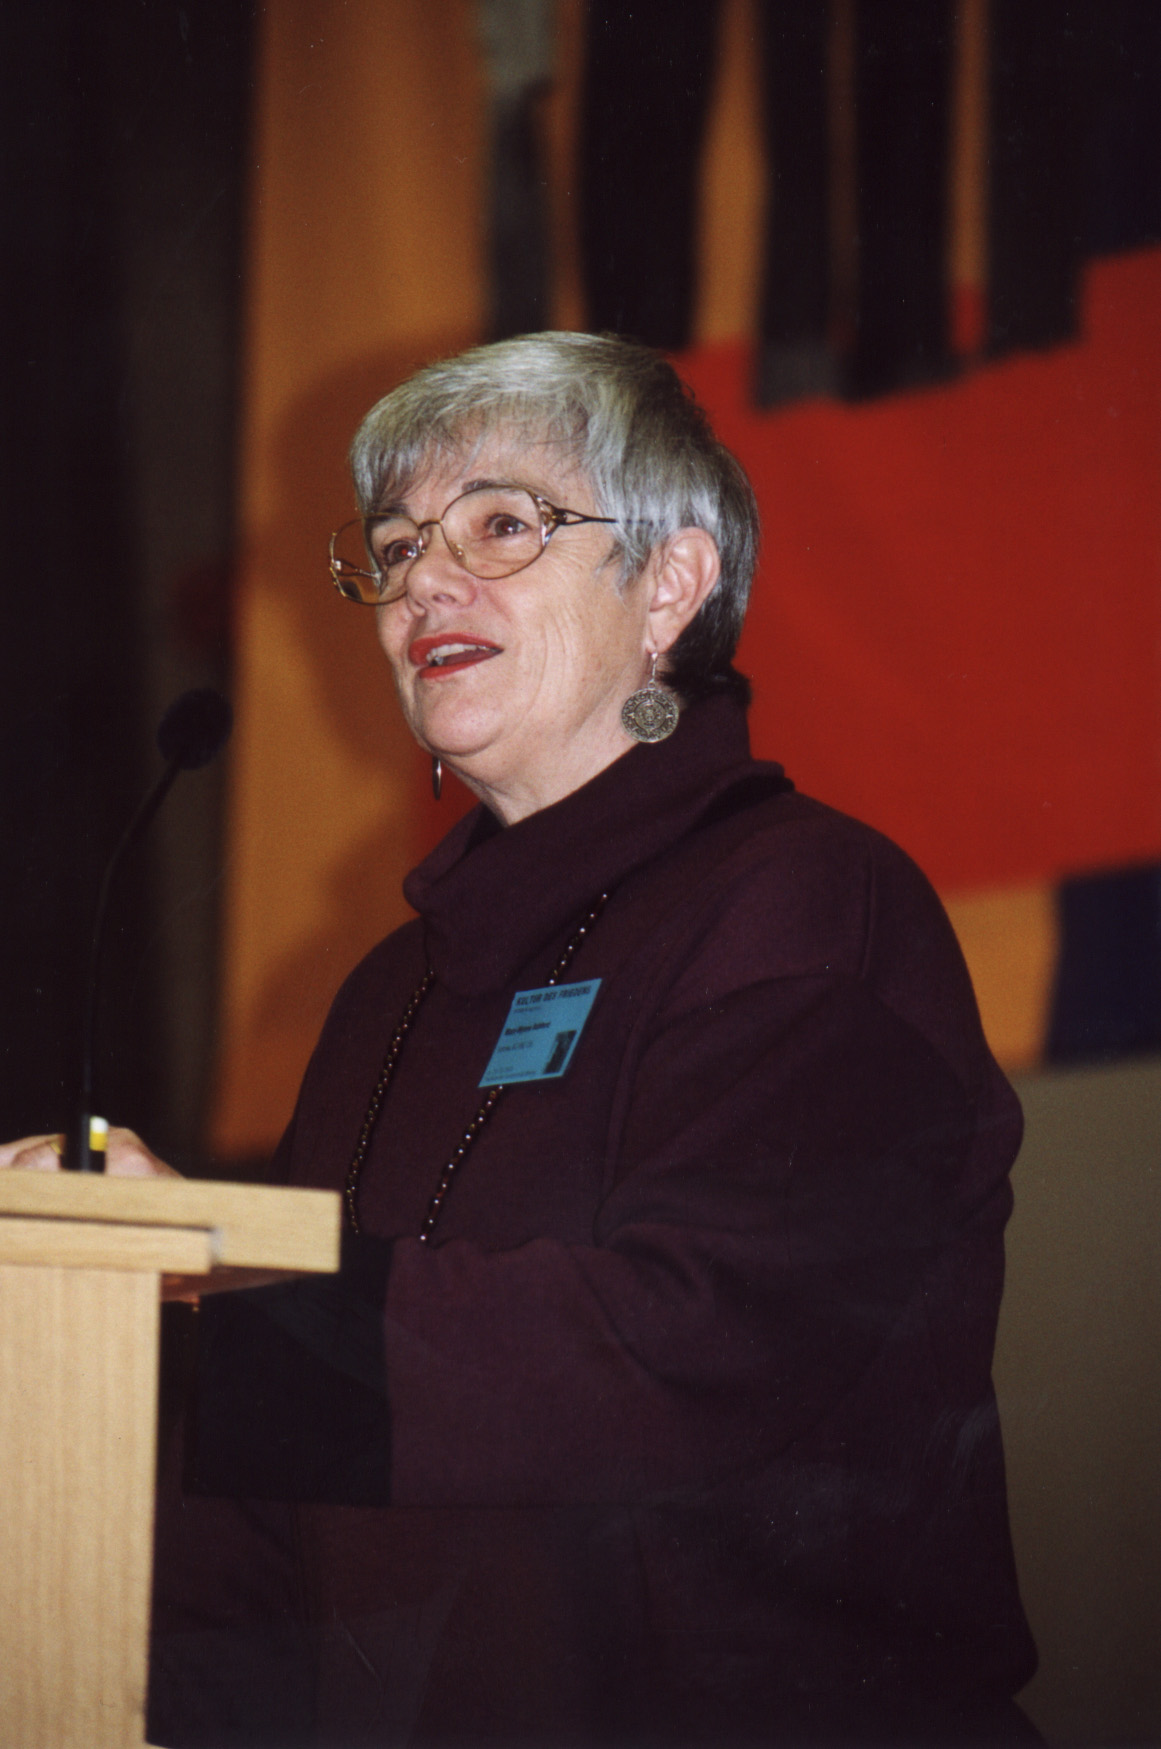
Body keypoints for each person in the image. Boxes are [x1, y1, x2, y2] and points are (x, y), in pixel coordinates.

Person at [1, 332, 1037, 1745]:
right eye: (395, 547)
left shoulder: (810, 901)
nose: (424, 582)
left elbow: (693, 1339)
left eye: (500, 525)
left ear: (670, 582)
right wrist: (85, 1678)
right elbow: (265, 1532)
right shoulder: (385, 997)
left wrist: (228, 1268)